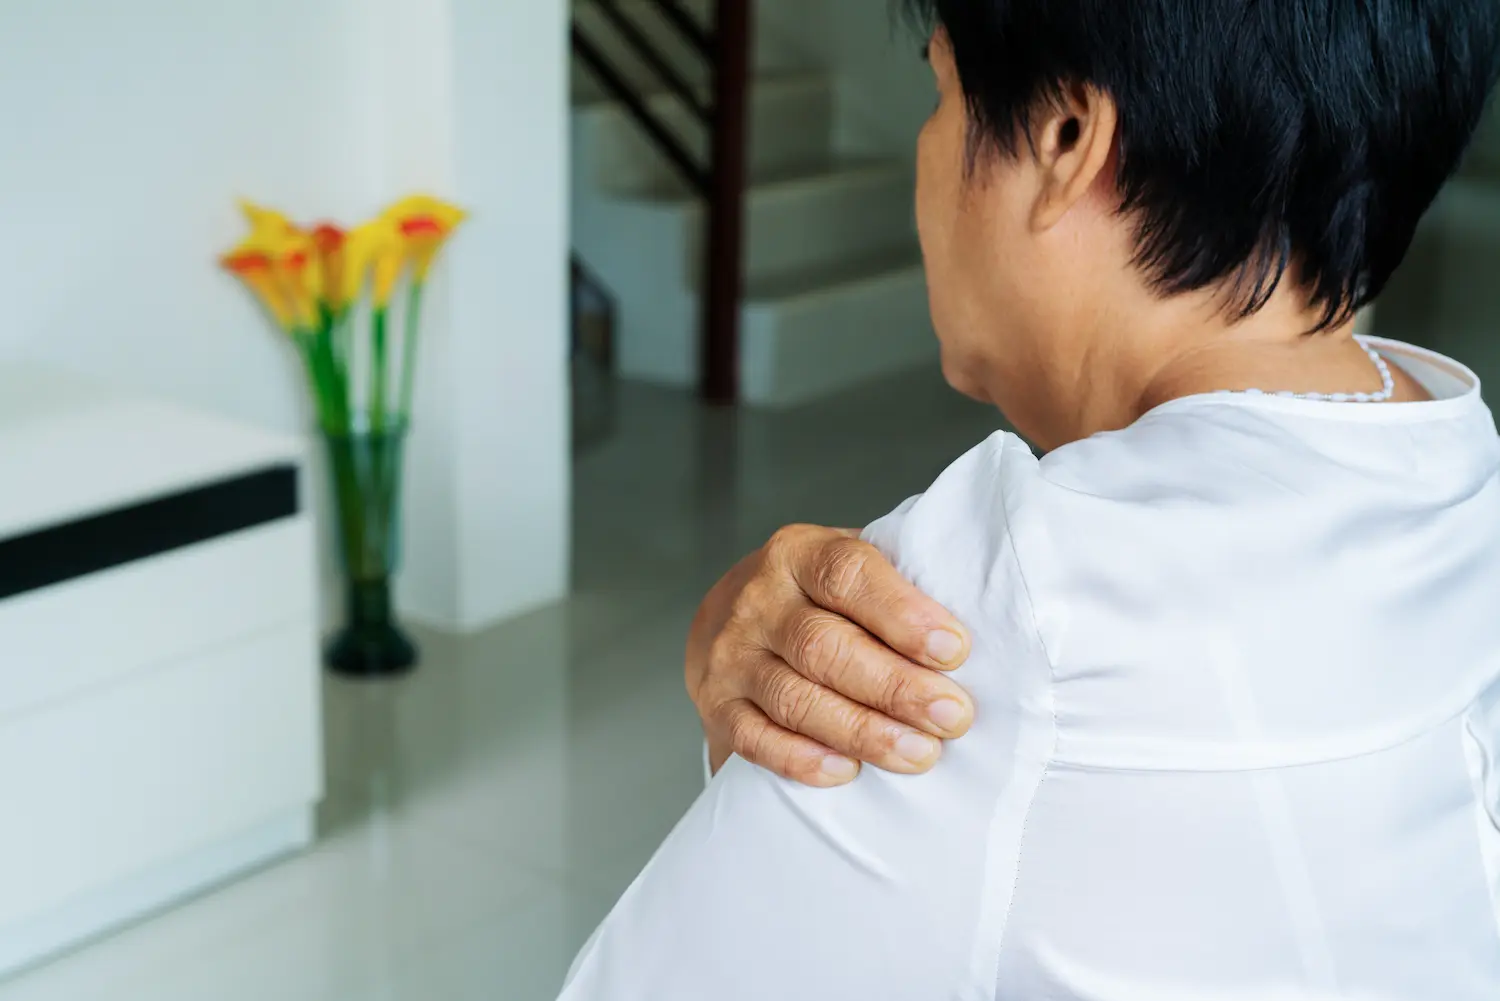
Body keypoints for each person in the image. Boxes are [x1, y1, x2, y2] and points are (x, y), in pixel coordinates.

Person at [559, 1, 1500, 997]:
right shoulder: (1452, 456)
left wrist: (737, 716)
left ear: (1062, 139)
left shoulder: (999, 604)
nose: (927, 148)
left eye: (940, 89)